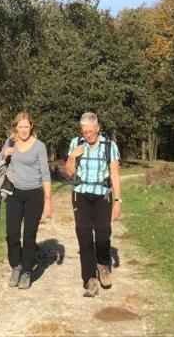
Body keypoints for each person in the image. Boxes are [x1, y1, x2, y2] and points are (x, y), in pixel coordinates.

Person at [64, 112, 121, 297]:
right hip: (81, 195)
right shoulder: (76, 143)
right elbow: (69, 173)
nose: (88, 135)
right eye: (84, 131)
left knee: (103, 233)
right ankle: (89, 278)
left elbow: (114, 174)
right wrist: (72, 156)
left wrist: (118, 201)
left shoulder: (109, 146)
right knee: (84, 234)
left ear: (98, 128)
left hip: (102, 195)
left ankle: (103, 265)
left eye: (91, 131)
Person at [0, 112, 52, 290]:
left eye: (26, 126)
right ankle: (16, 266)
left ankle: (27, 271)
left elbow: (45, 173)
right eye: (20, 126)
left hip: (34, 195)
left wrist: (48, 200)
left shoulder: (39, 146)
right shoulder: (10, 142)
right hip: (13, 193)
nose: (23, 130)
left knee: (29, 235)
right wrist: (5, 155)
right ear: (16, 128)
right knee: (12, 233)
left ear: (31, 127)